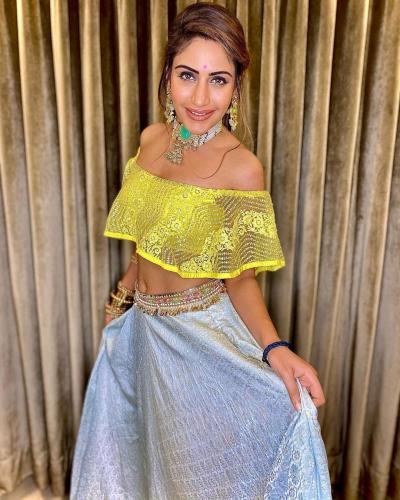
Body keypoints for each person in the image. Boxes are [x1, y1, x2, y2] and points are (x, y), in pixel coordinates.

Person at [70, 3, 332, 498]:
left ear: (236, 88)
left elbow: (241, 278)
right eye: (188, 75)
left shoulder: (242, 168)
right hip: (144, 332)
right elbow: (147, 239)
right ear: (168, 73)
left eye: (218, 80)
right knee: (143, 461)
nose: (200, 97)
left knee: (197, 477)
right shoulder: (152, 140)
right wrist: (122, 297)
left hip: (199, 340)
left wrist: (275, 349)